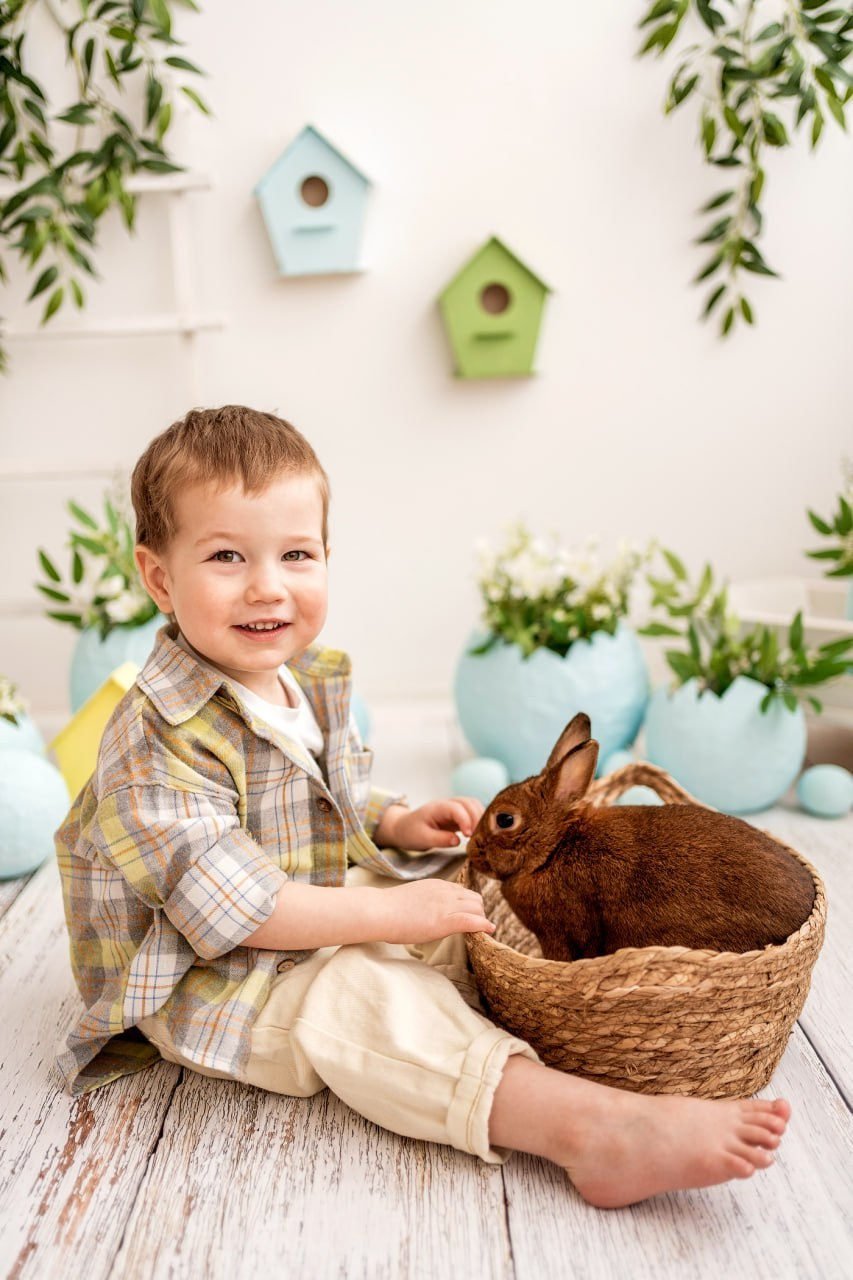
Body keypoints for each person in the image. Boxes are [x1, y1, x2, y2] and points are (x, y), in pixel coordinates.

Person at [55, 405, 790, 1209]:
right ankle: (590, 1130)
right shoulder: (155, 736)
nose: (268, 585)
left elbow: (304, 796)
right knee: (367, 999)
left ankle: (585, 1026)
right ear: (159, 577)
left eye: (295, 554)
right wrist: (389, 918)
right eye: (226, 556)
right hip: (206, 973)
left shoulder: (296, 678)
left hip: (304, 891)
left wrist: (394, 823)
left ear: (326, 558)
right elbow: (235, 912)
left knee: (465, 904)